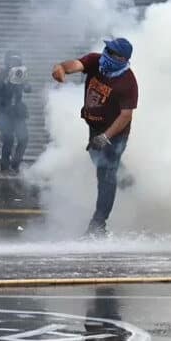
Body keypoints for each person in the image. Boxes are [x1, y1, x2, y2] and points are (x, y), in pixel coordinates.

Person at [52, 38, 138, 238]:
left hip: (115, 134)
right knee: (97, 158)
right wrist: (61, 69)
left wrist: (106, 137)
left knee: (105, 174)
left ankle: (98, 224)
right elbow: (75, 65)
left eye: (112, 52)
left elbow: (126, 115)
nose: (106, 53)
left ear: (122, 58)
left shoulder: (127, 82)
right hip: (94, 127)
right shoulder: (96, 61)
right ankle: (126, 179)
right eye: (107, 49)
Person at [0, 51, 30, 175]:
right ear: (7, 62)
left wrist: (25, 83)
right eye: (11, 60)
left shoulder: (20, 73)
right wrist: (7, 80)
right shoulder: (2, 74)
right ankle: (4, 167)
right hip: (3, 111)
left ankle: (15, 165)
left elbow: (28, 89)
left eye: (17, 61)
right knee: (8, 139)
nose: (14, 63)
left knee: (24, 138)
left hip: (17, 111)